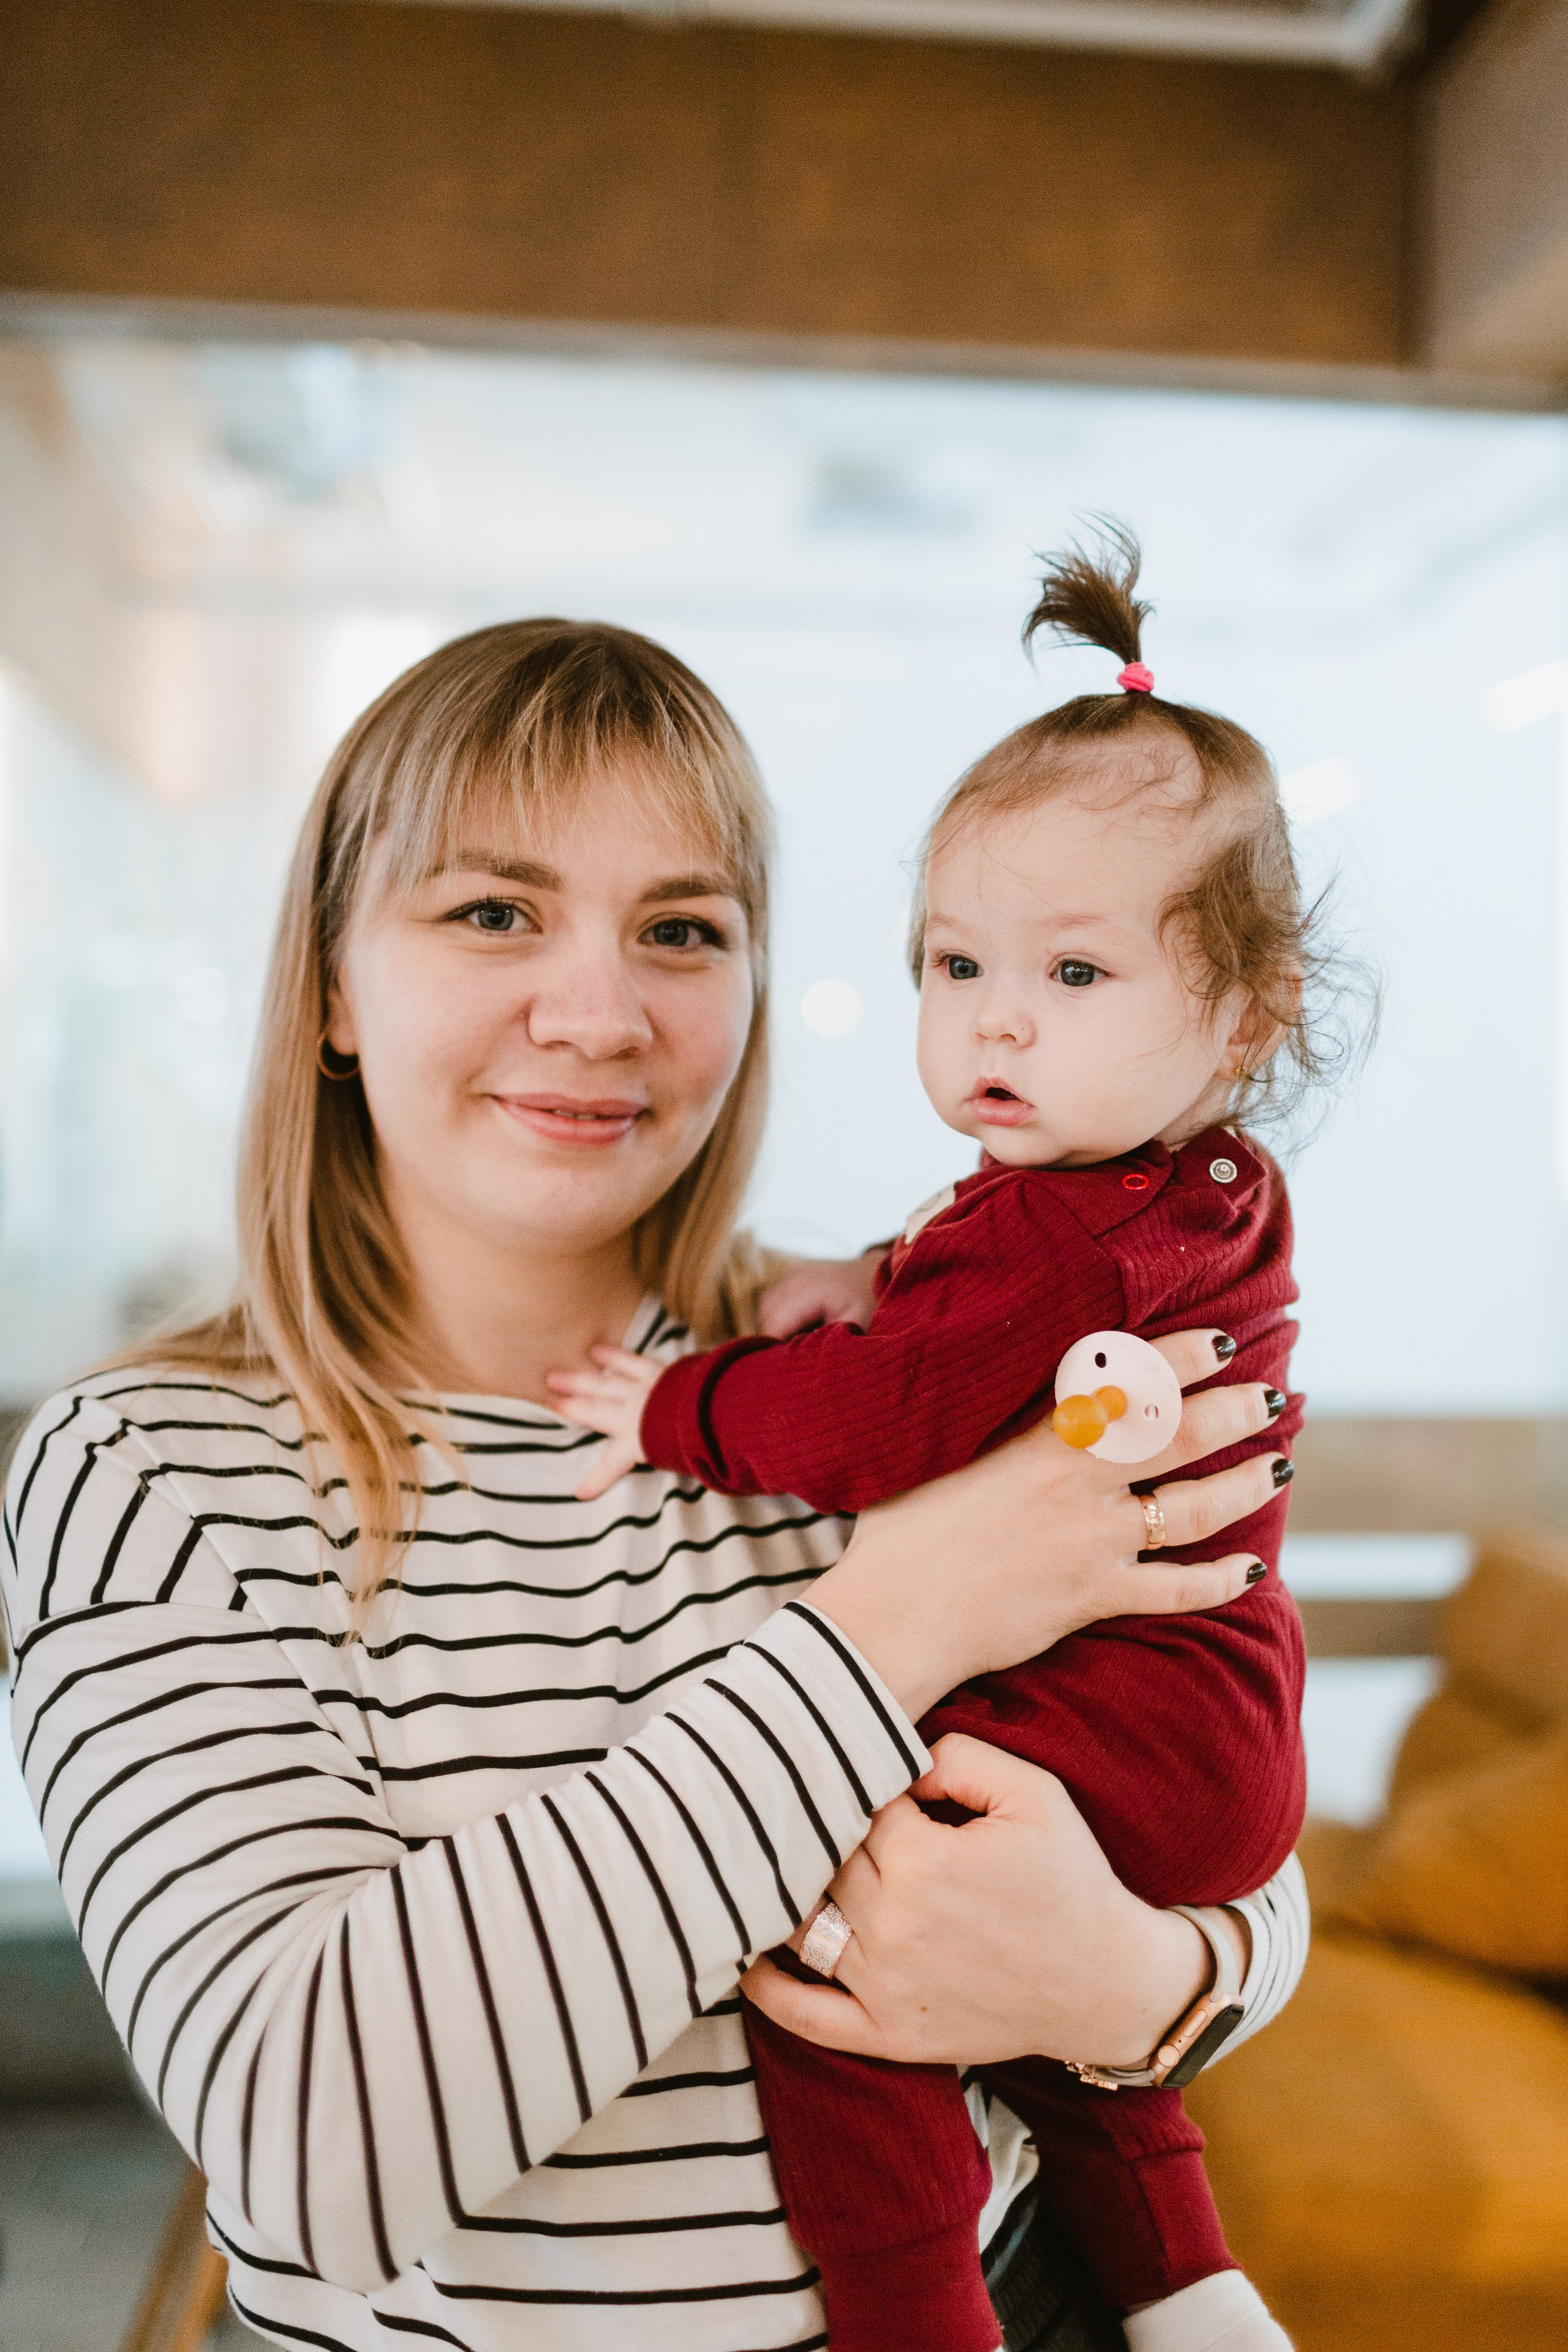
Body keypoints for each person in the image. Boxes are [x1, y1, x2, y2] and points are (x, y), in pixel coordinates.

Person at [1, 619, 1307, 2352]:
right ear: (328, 984)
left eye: (682, 930)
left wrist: (1143, 1987)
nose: (598, 1013)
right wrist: (888, 1626)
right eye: (493, 912)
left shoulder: (875, 1371)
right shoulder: (152, 1471)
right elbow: (298, 2150)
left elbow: (1211, 1785)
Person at [550, 534, 1335, 2352]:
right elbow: (977, 1305)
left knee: (845, 1954)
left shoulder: (1053, 1232)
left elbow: (884, 1412)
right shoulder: (1193, 1185)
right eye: (955, 958)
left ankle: (913, 2315)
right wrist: (874, 1265)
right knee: (1020, 1975)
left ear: (1246, 1012)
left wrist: (675, 1405)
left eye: (1072, 974)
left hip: (1123, 1710)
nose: (992, 1015)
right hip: (1212, 1709)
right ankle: (1186, 2282)